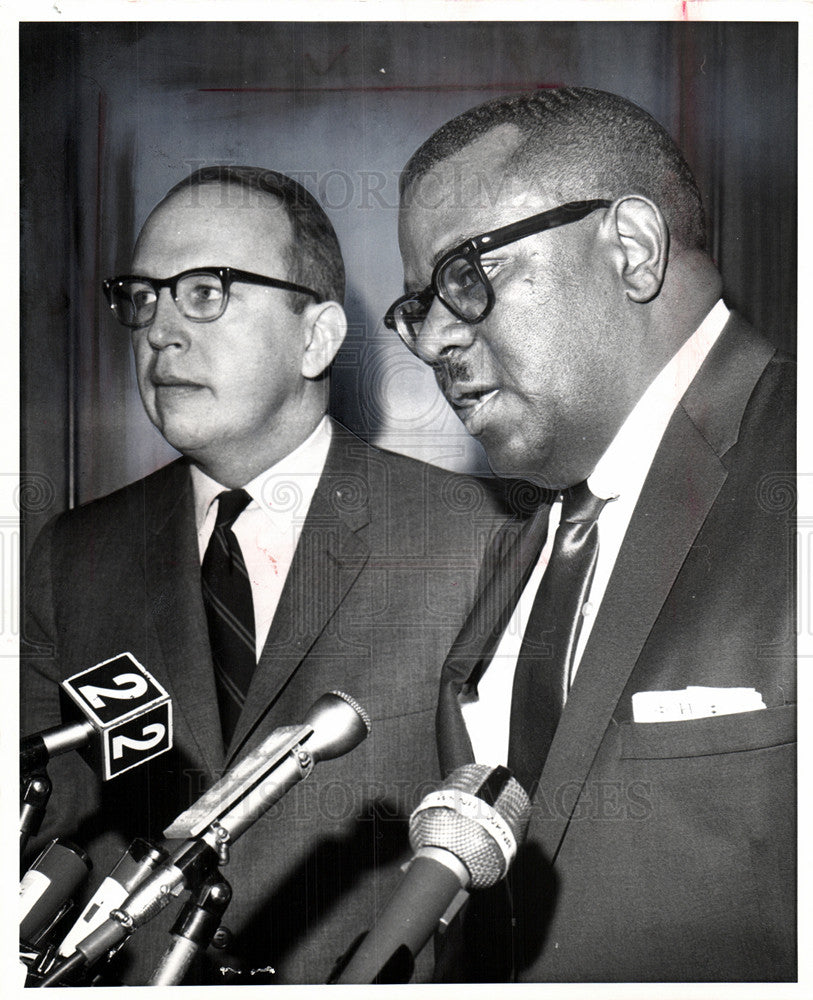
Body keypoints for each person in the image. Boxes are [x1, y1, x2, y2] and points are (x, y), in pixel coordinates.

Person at [20, 165, 505, 985]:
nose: (160, 332)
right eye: (144, 298)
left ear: (316, 337)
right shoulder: (74, 553)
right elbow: (43, 831)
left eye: (205, 291)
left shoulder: (474, 538)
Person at [387, 88, 795, 982]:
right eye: (420, 304)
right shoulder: (527, 538)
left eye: (466, 274)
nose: (432, 341)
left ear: (631, 249)